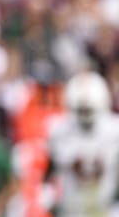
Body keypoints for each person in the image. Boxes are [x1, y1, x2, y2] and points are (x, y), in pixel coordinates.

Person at [44, 71, 119, 216]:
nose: (85, 115)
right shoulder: (58, 130)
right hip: (70, 209)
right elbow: (49, 175)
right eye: (81, 110)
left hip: (107, 207)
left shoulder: (114, 130)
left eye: (88, 110)